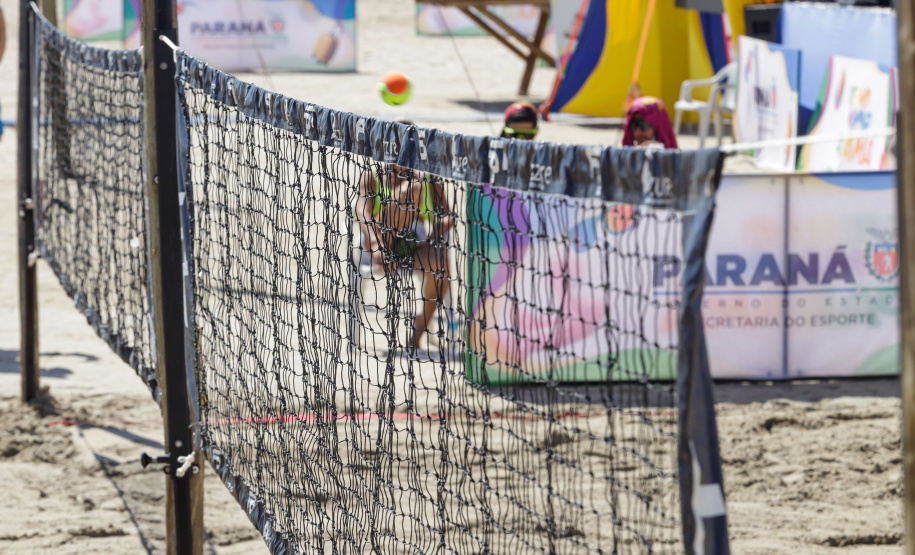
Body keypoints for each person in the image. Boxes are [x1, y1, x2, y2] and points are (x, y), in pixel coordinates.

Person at [356, 155, 454, 351]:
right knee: (411, 190)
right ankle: (385, 252)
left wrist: (433, 237)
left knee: (441, 265)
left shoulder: (427, 178)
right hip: (378, 245)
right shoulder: (372, 177)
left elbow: (447, 216)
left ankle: (416, 336)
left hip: (412, 247)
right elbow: (362, 213)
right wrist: (377, 244)